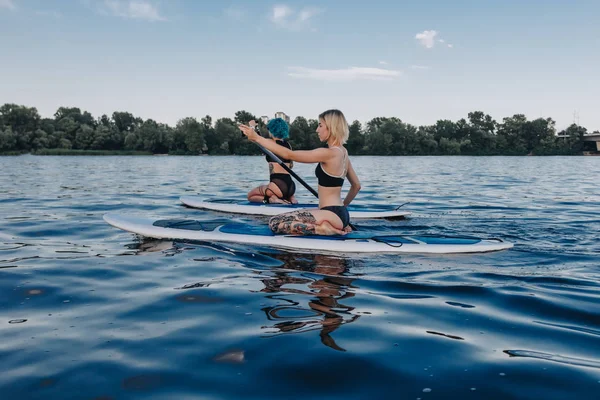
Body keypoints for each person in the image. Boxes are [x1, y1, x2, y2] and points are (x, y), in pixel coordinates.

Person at [239, 109, 361, 236]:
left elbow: (289, 154)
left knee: (275, 223)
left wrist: (256, 138)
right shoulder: (343, 153)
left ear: (331, 127)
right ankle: (333, 224)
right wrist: (342, 212)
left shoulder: (328, 153)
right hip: (339, 213)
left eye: (320, 125)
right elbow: (356, 186)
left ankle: (322, 229)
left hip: (330, 213)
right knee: (289, 216)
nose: (317, 130)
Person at [246, 118, 298, 204]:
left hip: (276, 185)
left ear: (271, 130)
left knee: (250, 196)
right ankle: (291, 199)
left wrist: (253, 126)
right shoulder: (288, 145)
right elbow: (291, 165)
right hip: (291, 186)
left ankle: (271, 199)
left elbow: (256, 139)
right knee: (282, 193)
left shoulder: (270, 143)